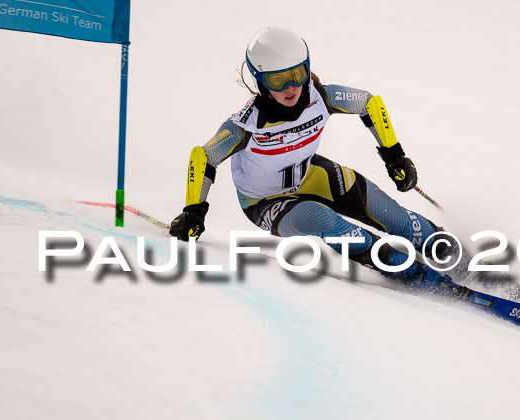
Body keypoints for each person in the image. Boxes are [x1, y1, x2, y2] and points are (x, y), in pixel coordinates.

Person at [169, 26, 466, 296]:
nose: (291, 87)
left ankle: (465, 261)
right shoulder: (247, 125)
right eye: (278, 79)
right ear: (261, 80)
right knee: (334, 225)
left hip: (312, 175)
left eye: (297, 74)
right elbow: (205, 156)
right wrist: (194, 211)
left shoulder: (320, 97)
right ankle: (420, 277)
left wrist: (394, 156)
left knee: (394, 217)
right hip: (267, 202)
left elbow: (368, 102)